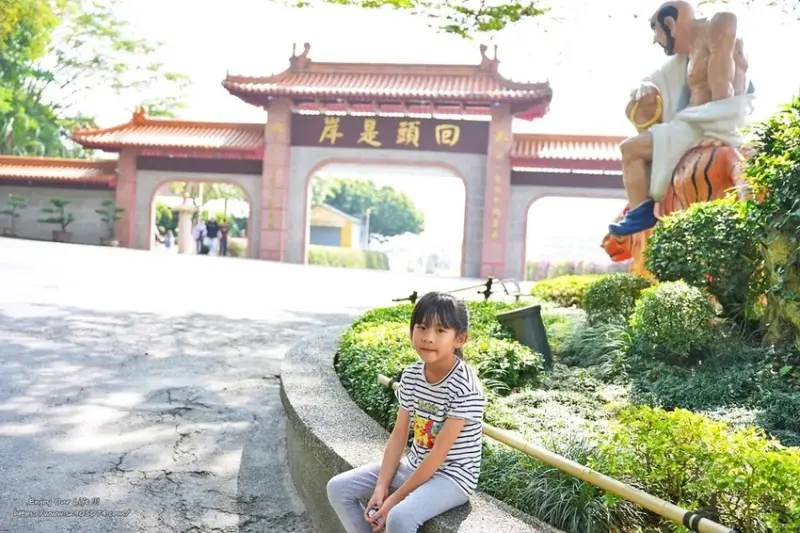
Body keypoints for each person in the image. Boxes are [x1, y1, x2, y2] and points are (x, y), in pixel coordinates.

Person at [327, 292, 485, 533]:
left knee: (399, 517)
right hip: (415, 464)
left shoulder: (465, 386)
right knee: (338, 488)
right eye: (421, 327)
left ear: (460, 339)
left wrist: (394, 499)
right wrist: (381, 487)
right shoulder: (412, 375)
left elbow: (439, 454)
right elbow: (399, 436)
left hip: (453, 477)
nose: (428, 337)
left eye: (441, 331)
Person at [608, 0, 754, 237]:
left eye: (656, 31)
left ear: (669, 23)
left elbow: (724, 83)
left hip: (705, 124)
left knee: (630, 150)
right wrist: (644, 88)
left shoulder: (718, 26)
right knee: (631, 148)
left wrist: (718, 130)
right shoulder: (683, 58)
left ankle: (641, 213)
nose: (656, 40)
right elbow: (652, 80)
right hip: (690, 121)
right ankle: (642, 210)